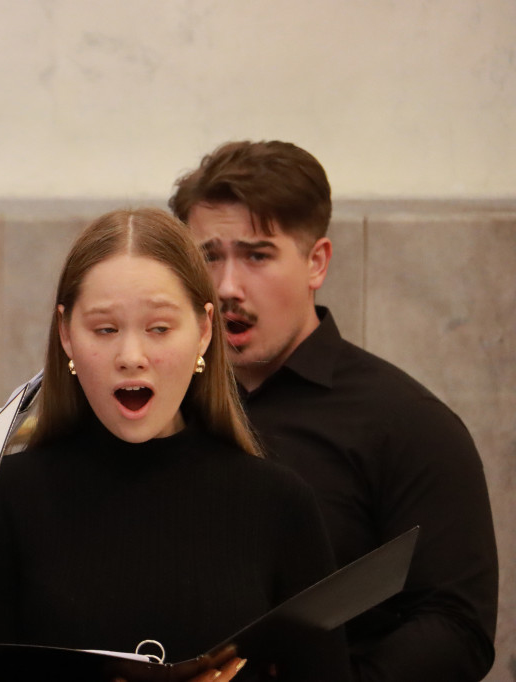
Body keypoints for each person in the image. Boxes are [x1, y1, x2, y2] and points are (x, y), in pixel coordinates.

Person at [0, 208, 350, 682]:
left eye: (159, 329)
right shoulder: (3, 503)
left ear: (204, 331)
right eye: (105, 329)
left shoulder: (278, 504)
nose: (131, 357)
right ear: (66, 334)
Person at [170, 140, 498, 682]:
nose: (227, 286)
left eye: (256, 254)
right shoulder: (163, 404)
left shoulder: (409, 423)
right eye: (208, 256)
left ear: (316, 262)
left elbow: (456, 627)